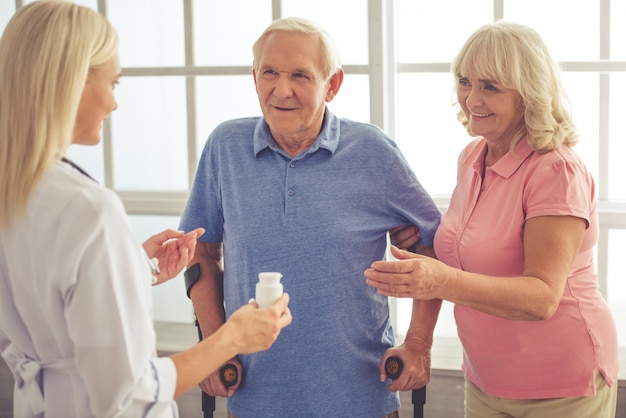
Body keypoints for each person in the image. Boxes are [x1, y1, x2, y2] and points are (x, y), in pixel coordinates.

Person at [0, 2, 292, 417]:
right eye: (114, 84)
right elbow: (130, 395)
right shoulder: (90, 210)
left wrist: (132, 265)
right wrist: (231, 338)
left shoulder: (15, 192)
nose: (114, 105)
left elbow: (46, 296)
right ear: (74, 81)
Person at [178, 16, 442, 418]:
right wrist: (212, 347)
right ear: (254, 77)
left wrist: (419, 344)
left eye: (301, 75)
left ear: (332, 85)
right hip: (254, 399)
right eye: (270, 72)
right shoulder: (224, 148)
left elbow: (432, 245)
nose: (281, 90)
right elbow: (198, 252)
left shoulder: (373, 152)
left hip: (360, 399)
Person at [365, 21, 619, 418]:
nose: (471, 99)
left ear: (529, 94)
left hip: (560, 384)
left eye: (491, 87)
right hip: (487, 378)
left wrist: (439, 279)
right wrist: (424, 247)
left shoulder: (555, 171)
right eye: (465, 81)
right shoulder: (472, 157)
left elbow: (541, 298)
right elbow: (473, 253)